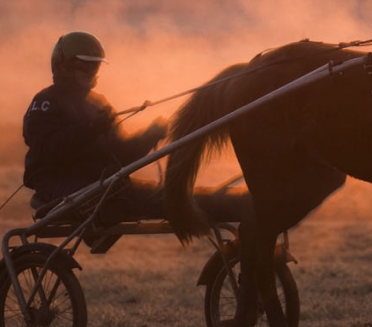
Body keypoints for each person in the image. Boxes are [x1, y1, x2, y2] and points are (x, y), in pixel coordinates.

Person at [22, 31, 249, 226]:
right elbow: (48, 149)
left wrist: (152, 135)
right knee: (128, 198)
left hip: (100, 187)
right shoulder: (45, 102)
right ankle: (238, 205)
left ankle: (241, 203)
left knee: (168, 196)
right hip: (60, 188)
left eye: (95, 66)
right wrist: (93, 128)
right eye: (83, 66)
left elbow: (121, 156)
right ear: (63, 66)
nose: (90, 72)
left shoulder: (97, 103)